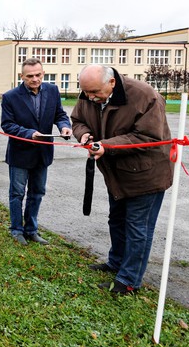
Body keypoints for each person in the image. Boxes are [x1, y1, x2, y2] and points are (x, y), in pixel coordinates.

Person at [71, 64, 174, 295]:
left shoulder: (145, 96)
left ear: (112, 82)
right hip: (115, 172)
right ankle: (116, 263)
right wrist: (84, 134)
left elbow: (146, 137)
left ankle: (128, 281)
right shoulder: (89, 95)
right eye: (85, 92)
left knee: (138, 228)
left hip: (146, 174)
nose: (90, 97)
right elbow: (77, 119)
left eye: (95, 92)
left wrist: (105, 146)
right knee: (116, 220)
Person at [1, 58, 72, 246]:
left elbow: (60, 114)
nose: (35, 79)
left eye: (38, 75)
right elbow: (7, 125)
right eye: (30, 76)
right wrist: (29, 133)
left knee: (37, 192)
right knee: (17, 193)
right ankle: (16, 230)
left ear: (43, 73)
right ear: (22, 76)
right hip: (20, 154)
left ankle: (31, 230)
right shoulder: (10, 97)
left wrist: (64, 127)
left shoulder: (52, 90)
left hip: (43, 153)